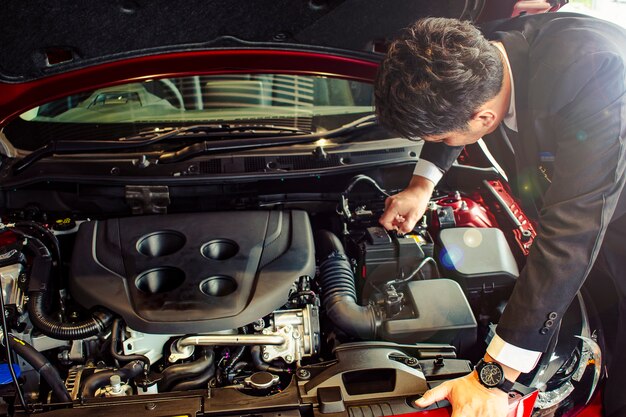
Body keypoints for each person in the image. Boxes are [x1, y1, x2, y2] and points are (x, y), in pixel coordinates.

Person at [374, 13, 626, 417]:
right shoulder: (481, 53)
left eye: (439, 139)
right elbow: (450, 108)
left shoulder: (593, 73)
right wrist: (421, 186)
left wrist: (494, 377)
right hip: (590, 215)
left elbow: (572, 231)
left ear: (484, 119)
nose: (439, 144)